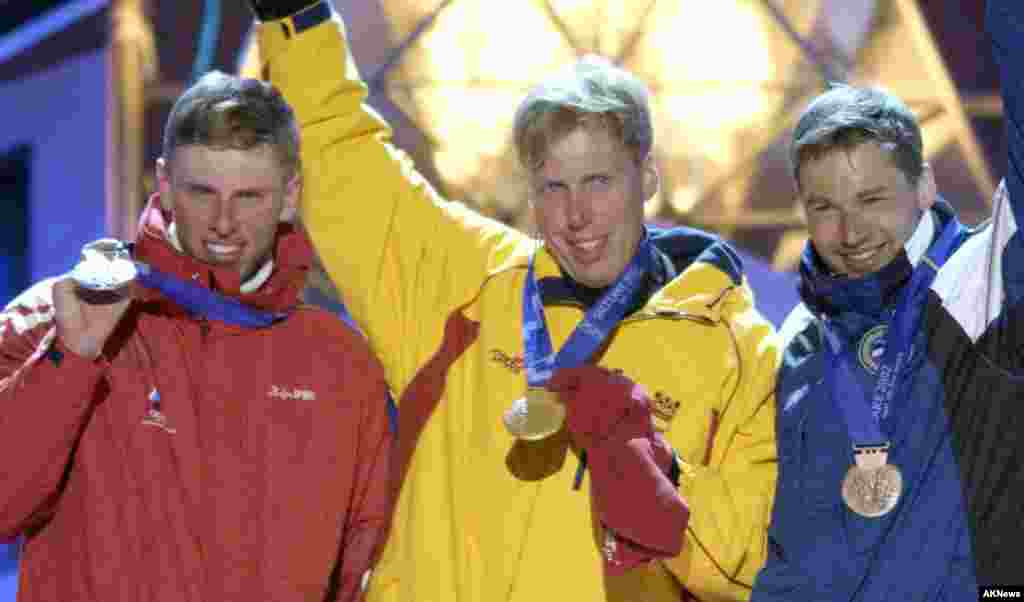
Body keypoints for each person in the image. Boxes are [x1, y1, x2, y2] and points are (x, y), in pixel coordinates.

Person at [245, 2, 781, 600]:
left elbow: (753, 563)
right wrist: (296, 18)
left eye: (599, 181)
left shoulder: (738, 346)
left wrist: (660, 473)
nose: (577, 215)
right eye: (554, 187)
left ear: (647, 179)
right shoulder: (464, 278)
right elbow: (341, 155)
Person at [0, 72, 392, 602]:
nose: (224, 222)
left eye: (250, 196)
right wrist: (70, 358)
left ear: (289, 195)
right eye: (201, 192)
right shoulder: (58, 314)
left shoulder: (340, 363)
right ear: (163, 183)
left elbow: (369, 567)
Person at [752, 1, 1024, 598]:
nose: (850, 233)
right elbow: (790, 544)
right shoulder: (798, 341)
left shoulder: (980, 284)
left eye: (872, 199)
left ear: (924, 184)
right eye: (825, 207)